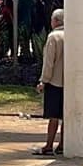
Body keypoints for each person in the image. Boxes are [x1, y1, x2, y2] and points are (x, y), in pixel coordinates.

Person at [34, 9, 67, 155]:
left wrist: (43, 81)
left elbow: (49, 63)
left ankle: (48, 145)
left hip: (55, 81)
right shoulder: (72, 35)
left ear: (56, 21)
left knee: (53, 116)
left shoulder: (53, 37)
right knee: (65, 116)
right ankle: (62, 144)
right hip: (70, 82)